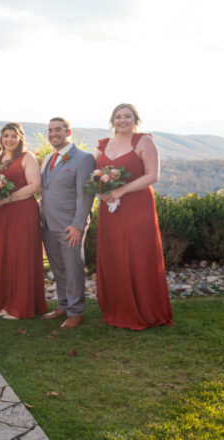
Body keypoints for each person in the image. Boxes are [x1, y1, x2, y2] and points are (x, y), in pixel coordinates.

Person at [95, 104, 173, 330]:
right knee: (115, 253)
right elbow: (96, 175)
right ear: (112, 120)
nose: (122, 120)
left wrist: (121, 190)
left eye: (127, 116)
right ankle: (118, 307)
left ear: (135, 119)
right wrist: (101, 191)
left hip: (137, 205)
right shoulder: (103, 145)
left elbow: (153, 175)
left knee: (137, 253)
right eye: (118, 117)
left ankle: (144, 309)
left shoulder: (144, 142)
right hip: (110, 207)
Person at [0, 122, 48, 319]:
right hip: (1, 213)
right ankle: (5, 301)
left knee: (20, 255)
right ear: (1, 138)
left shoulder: (27, 158)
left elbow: (35, 185)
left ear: (20, 138)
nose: (9, 139)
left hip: (22, 211)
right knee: (3, 254)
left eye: (14, 136)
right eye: (6, 135)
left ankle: (20, 305)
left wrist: (9, 198)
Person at [40, 118, 95, 329]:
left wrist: (78, 225)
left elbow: (86, 195)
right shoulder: (47, 158)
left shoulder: (84, 159)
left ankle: (76, 311)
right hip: (48, 224)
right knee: (58, 267)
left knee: (73, 269)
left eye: (58, 130)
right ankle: (62, 305)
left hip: (70, 225)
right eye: (50, 130)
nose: (54, 134)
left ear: (68, 131)